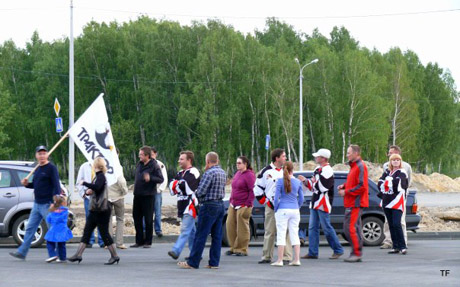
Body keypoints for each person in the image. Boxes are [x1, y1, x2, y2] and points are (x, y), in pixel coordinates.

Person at [10, 145, 61, 260]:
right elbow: (36, 185)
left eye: (44, 153)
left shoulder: (51, 168)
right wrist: (26, 184)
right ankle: (22, 252)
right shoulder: (37, 168)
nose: (42, 155)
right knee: (30, 228)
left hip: (48, 204)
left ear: (47, 154)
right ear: (36, 155)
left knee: (52, 229)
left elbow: (56, 185)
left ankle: (57, 254)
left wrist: (55, 202)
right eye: (40, 153)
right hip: (37, 204)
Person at [178, 152, 226, 269]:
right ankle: (214, 262)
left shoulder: (209, 173)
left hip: (209, 205)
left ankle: (193, 262)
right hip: (220, 204)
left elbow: (201, 191)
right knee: (217, 235)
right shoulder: (222, 172)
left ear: (208, 161)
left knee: (201, 234)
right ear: (217, 160)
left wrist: (195, 195)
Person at [68, 157, 120, 265]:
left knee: (104, 233)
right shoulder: (99, 177)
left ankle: (114, 255)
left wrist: (85, 183)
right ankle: (78, 254)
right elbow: (97, 189)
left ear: (96, 166)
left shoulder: (100, 176)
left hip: (100, 210)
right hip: (96, 209)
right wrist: (88, 191)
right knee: (87, 232)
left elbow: (97, 187)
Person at [298, 148, 344, 260]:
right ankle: (313, 252)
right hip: (316, 201)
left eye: (318, 156)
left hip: (323, 202)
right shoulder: (318, 169)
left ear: (323, 158)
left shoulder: (327, 170)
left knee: (326, 227)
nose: (315, 157)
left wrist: (311, 184)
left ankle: (338, 249)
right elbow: (314, 185)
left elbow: (322, 187)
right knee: (312, 228)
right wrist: (305, 181)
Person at [254, 148, 292, 264]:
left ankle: (286, 256)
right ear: (277, 158)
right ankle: (266, 256)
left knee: (285, 231)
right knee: (269, 231)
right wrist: (266, 201)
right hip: (271, 206)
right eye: (284, 156)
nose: (285, 158)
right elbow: (257, 188)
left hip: (284, 206)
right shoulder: (265, 171)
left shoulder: (286, 171)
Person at [338, 145, 369, 263]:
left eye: (348, 153)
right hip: (351, 202)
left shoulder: (361, 166)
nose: (347, 155)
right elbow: (354, 182)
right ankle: (356, 252)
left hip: (355, 202)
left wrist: (346, 192)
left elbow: (362, 186)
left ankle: (356, 253)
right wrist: (344, 186)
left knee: (350, 228)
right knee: (351, 228)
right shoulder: (354, 166)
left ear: (356, 153)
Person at [167, 151, 201, 260]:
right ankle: (195, 253)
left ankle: (176, 250)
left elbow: (187, 187)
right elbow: (172, 185)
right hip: (182, 205)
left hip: (190, 206)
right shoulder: (180, 172)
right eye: (179, 158)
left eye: (182, 159)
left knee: (185, 229)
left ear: (189, 160)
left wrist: (178, 184)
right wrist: (178, 184)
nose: (179, 161)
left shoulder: (194, 172)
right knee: (192, 232)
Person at [271, 161, 304, 267]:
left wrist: (276, 209)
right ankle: (296, 259)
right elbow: (301, 198)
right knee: (294, 234)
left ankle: (280, 260)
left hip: (282, 209)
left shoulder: (280, 181)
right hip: (295, 210)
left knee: (281, 234)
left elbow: (276, 198)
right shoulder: (298, 182)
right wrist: (297, 206)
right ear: (292, 170)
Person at [131, 146, 164, 248]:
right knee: (136, 218)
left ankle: (148, 241)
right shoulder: (140, 164)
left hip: (148, 196)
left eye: (141, 154)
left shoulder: (154, 165)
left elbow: (160, 178)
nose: (139, 156)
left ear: (147, 155)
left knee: (148, 219)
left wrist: (150, 178)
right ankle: (139, 240)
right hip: (137, 195)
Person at [380, 145, 412, 249]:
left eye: (391, 153)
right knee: (388, 222)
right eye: (389, 153)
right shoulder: (386, 166)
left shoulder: (406, 167)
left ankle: (403, 242)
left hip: (399, 199)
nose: (388, 154)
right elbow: (383, 180)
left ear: (397, 153)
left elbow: (407, 181)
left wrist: (403, 193)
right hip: (388, 199)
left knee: (400, 222)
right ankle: (389, 241)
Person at [226, 156, 256, 256]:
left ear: (245, 164)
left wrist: (248, 204)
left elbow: (252, 191)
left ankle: (242, 249)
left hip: (244, 204)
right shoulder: (238, 173)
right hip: (233, 203)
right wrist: (231, 200)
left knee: (242, 227)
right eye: (236, 163)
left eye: (239, 163)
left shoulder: (249, 175)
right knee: (230, 224)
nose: (237, 164)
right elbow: (234, 188)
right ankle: (233, 247)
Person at [76, 161, 104, 248]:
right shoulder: (84, 166)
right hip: (88, 198)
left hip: (100, 197)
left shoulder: (102, 166)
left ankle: (102, 240)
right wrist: (83, 194)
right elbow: (79, 182)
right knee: (89, 219)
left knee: (100, 219)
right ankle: (89, 240)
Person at [108, 149, 129, 249]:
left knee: (108, 220)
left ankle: (108, 242)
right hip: (118, 196)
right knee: (120, 219)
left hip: (107, 196)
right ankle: (119, 242)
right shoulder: (117, 166)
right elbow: (121, 181)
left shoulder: (105, 165)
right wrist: (125, 191)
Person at [45, 195, 73, 263]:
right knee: (61, 244)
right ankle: (62, 258)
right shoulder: (66, 211)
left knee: (50, 242)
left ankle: (52, 255)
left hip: (54, 230)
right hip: (63, 230)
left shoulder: (52, 212)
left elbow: (48, 220)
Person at [151, 146, 168, 238]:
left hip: (157, 191)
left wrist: (160, 189)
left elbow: (164, 178)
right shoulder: (145, 164)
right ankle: (145, 229)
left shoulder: (160, 164)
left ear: (156, 154)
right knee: (147, 212)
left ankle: (158, 230)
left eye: (153, 154)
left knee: (157, 211)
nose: (151, 156)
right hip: (147, 192)